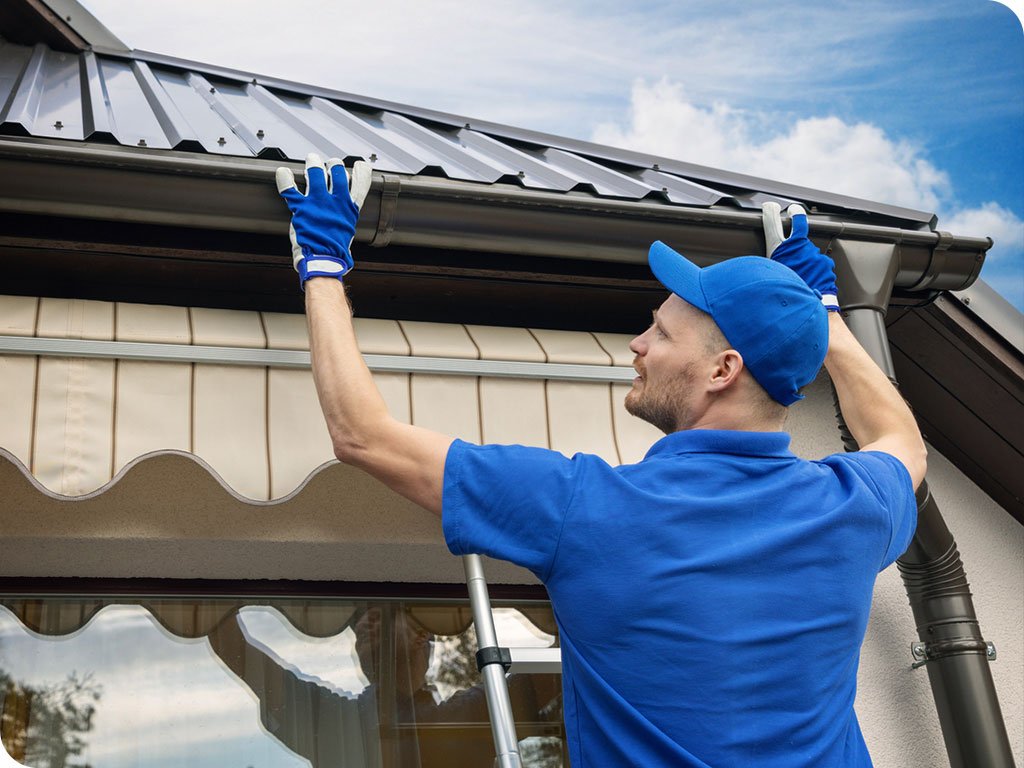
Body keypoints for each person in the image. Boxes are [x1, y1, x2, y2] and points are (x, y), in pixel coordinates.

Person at [275, 154, 925, 767]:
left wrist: (323, 267)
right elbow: (901, 439)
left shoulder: (588, 510)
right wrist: (826, 321)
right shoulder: (852, 507)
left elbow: (363, 435)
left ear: (724, 370)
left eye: (663, 334)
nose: (639, 344)